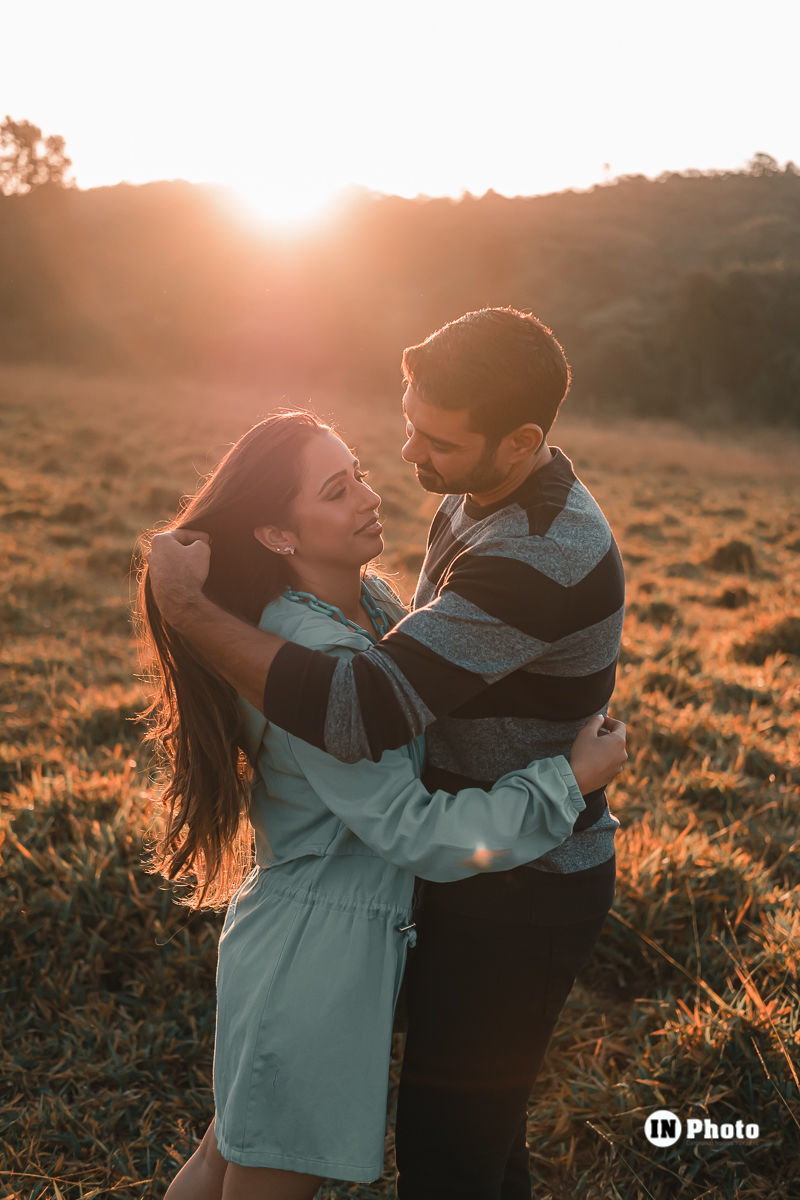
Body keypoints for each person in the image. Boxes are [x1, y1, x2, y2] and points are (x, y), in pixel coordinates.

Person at [147, 307, 627, 1199]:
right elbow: (379, 733)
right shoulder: (467, 498)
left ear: (521, 442)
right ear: (278, 533)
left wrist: (189, 610)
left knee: (456, 1150)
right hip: (365, 911)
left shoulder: (530, 553)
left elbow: (362, 706)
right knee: (443, 1149)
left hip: (522, 887)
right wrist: (567, 779)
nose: (407, 459)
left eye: (435, 441)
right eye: (406, 426)